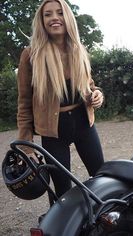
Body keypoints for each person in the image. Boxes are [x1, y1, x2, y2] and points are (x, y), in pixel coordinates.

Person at [17, 0, 104, 200]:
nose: (54, 18)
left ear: (68, 18)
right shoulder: (31, 55)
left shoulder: (79, 50)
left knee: (101, 177)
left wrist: (96, 95)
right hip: (53, 132)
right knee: (61, 189)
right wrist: (26, 146)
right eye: (48, 14)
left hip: (84, 123)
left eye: (59, 13)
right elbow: (24, 103)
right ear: (42, 21)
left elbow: (90, 86)